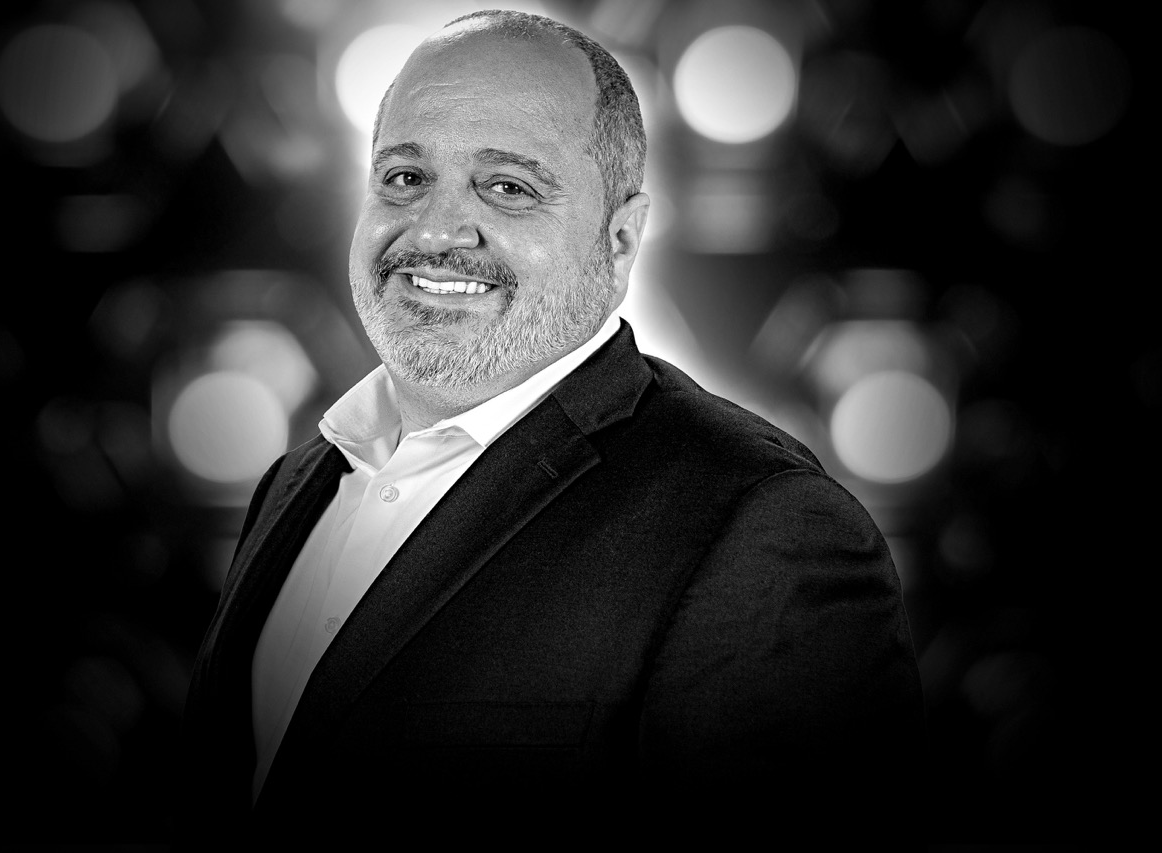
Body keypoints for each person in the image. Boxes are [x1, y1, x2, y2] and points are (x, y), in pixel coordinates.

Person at [178, 9, 924, 847]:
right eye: (404, 178)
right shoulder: (298, 482)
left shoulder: (762, 526)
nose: (433, 231)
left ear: (620, 239)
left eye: (508, 188)